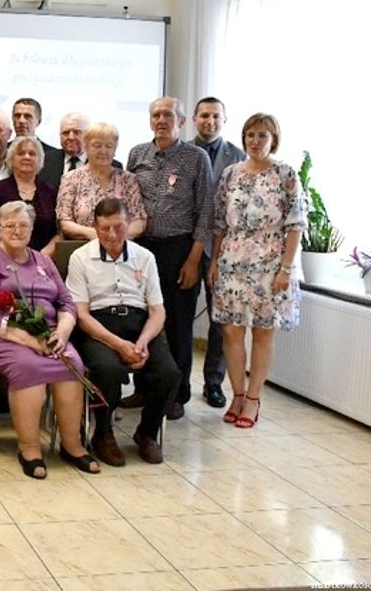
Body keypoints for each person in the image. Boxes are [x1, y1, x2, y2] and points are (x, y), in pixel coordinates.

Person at [0, 201, 99, 479]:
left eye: (23, 225)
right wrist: (28, 340)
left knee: (72, 362)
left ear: (32, 229)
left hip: (48, 332)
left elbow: (66, 303)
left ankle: (72, 445)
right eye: (10, 225)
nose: (17, 230)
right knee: (30, 366)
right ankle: (29, 449)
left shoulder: (43, 260)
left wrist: (62, 333)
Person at [66, 198, 180, 466]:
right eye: (105, 228)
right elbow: (81, 314)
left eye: (119, 227)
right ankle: (103, 434)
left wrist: (141, 343)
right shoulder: (80, 258)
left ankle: (147, 433)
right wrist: (119, 345)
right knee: (108, 370)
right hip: (99, 327)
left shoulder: (145, 257)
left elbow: (158, 311)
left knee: (170, 374)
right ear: (95, 226)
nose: (112, 235)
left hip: (140, 326)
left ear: (129, 224)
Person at [208, 113, 304, 429]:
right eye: (250, 135)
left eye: (262, 135)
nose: (255, 141)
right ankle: (236, 393)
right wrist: (214, 262)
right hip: (232, 260)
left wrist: (286, 270)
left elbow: (295, 225)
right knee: (231, 331)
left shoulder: (286, 174)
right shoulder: (231, 174)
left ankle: (253, 398)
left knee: (262, 332)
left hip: (271, 263)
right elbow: (220, 223)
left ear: (273, 139)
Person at [127, 97, 213, 420]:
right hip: (142, 250)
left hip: (180, 251)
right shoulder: (137, 154)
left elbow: (206, 211)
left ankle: (177, 394)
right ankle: (144, 388)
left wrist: (194, 260)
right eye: (156, 115)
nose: (161, 120)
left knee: (177, 324)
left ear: (181, 121)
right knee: (141, 320)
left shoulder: (196, 158)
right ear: (150, 120)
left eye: (168, 115)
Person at [192, 97, 247, 408]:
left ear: (224, 120)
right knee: (180, 318)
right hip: (190, 246)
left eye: (216, 116)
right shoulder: (183, 150)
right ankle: (177, 386)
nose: (209, 121)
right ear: (194, 119)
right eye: (204, 115)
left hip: (225, 251)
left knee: (220, 319)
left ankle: (214, 382)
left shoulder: (239, 157)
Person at [56, 122, 147, 241]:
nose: (103, 151)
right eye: (97, 145)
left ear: (115, 149)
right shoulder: (70, 179)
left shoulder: (128, 179)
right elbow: (65, 222)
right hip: (82, 250)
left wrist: (117, 236)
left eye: (109, 146)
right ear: (87, 148)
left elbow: (139, 221)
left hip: (122, 250)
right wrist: (96, 234)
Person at [0, 136, 60, 256]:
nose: (27, 157)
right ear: (11, 158)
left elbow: (59, 231)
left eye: (32, 154)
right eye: (21, 153)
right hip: (5, 258)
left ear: (40, 160)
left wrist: (43, 255)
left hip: (44, 259)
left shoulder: (50, 192)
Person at [38, 112, 92, 188]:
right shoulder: (45, 161)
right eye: (65, 133)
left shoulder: (104, 164)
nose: (71, 137)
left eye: (76, 132)